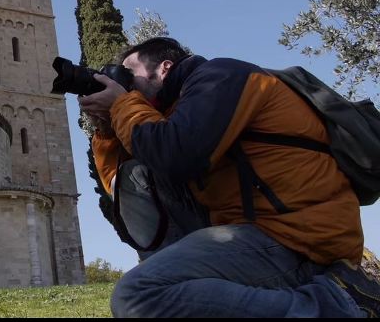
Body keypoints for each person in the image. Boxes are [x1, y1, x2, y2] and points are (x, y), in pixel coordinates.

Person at [79, 37, 380, 317]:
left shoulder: (223, 76)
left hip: (301, 235)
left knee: (138, 294)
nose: (127, 87)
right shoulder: (175, 115)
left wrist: (121, 104)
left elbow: (175, 154)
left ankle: (340, 305)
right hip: (257, 232)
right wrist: (107, 131)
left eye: (130, 75)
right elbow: (128, 189)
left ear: (164, 68)